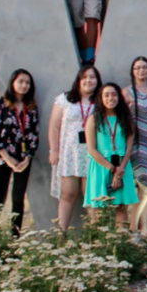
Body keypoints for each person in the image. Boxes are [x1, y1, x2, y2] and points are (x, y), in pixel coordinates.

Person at [0, 68, 38, 238]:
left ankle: (15, 240)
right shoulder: (1, 103)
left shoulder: (31, 107)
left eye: (27, 82)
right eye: (21, 81)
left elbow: (33, 134)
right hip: (3, 159)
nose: (24, 85)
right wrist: (7, 158)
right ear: (13, 83)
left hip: (22, 161)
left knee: (18, 200)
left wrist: (28, 158)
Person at [48, 65, 101, 230]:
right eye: (84, 77)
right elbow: (54, 127)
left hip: (92, 153)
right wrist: (54, 150)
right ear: (78, 80)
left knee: (91, 196)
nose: (88, 81)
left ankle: (97, 235)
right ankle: (61, 235)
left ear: (97, 81)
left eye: (92, 77)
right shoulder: (65, 99)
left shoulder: (101, 101)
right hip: (69, 154)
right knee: (67, 195)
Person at [83, 83, 138, 228]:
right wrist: (112, 169)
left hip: (122, 166)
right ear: (101, 98)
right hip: (101, 166)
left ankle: (121, 242)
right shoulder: (94, 119)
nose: (110, 98)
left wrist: (119, 171)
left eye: (114, 94)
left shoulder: (127, 119)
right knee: (98, 208)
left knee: (120, 206)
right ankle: (98, 243)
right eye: (106, 95)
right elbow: (91, 150)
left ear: (119, 97)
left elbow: (128, 149)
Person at [124, 56, 147, 236]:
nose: (141, 71)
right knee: (137, 187)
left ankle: (143, 225)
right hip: (135, 145)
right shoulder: (127, 93)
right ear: (132, 71)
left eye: (144, 67)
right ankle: (135, 226)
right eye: (137, 68)